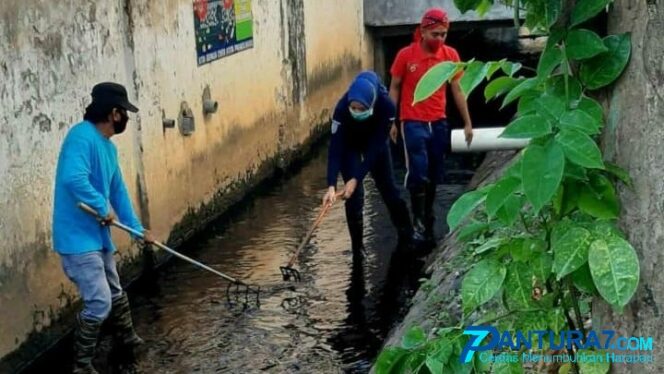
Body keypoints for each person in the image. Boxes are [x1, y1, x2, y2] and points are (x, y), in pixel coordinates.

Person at [52, 82, 154, 373]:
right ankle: (82, 365)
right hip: (77, 240)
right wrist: (101, 206)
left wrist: (137, 230)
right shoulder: (80, 137)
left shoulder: (108, 149)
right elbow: (73, 178)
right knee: (99, 302)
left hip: (97, 237)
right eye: (125, 112)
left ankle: (127, 339)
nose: (127, 118)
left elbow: (118, 191)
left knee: (114, 289)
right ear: (113, 113)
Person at [389, 7, 474, 249]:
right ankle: (418, 222)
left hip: (438, 121)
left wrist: (467, 121)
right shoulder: (406, 56)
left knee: (435, 171)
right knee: (418, 171)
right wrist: (391, 120)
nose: (440, 39)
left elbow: (457, 89)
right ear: (423, 31)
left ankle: (428, 215)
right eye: (435, 34)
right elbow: (394, 87)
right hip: (413, 120)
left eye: (444, 34)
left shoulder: (450, 56)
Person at [323, 71, 413, 260]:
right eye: (352, 108)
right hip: (350, 144)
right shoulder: (341, 108)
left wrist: (356, 178)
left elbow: (376, 148)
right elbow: (335, 148)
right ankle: (358, 249)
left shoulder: (386, 107)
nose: (355, 111)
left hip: (374, 142)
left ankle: (407, 235)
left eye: (360, 108)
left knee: (389, 190)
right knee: (353, 197)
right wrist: (331, 185)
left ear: (371, 104)